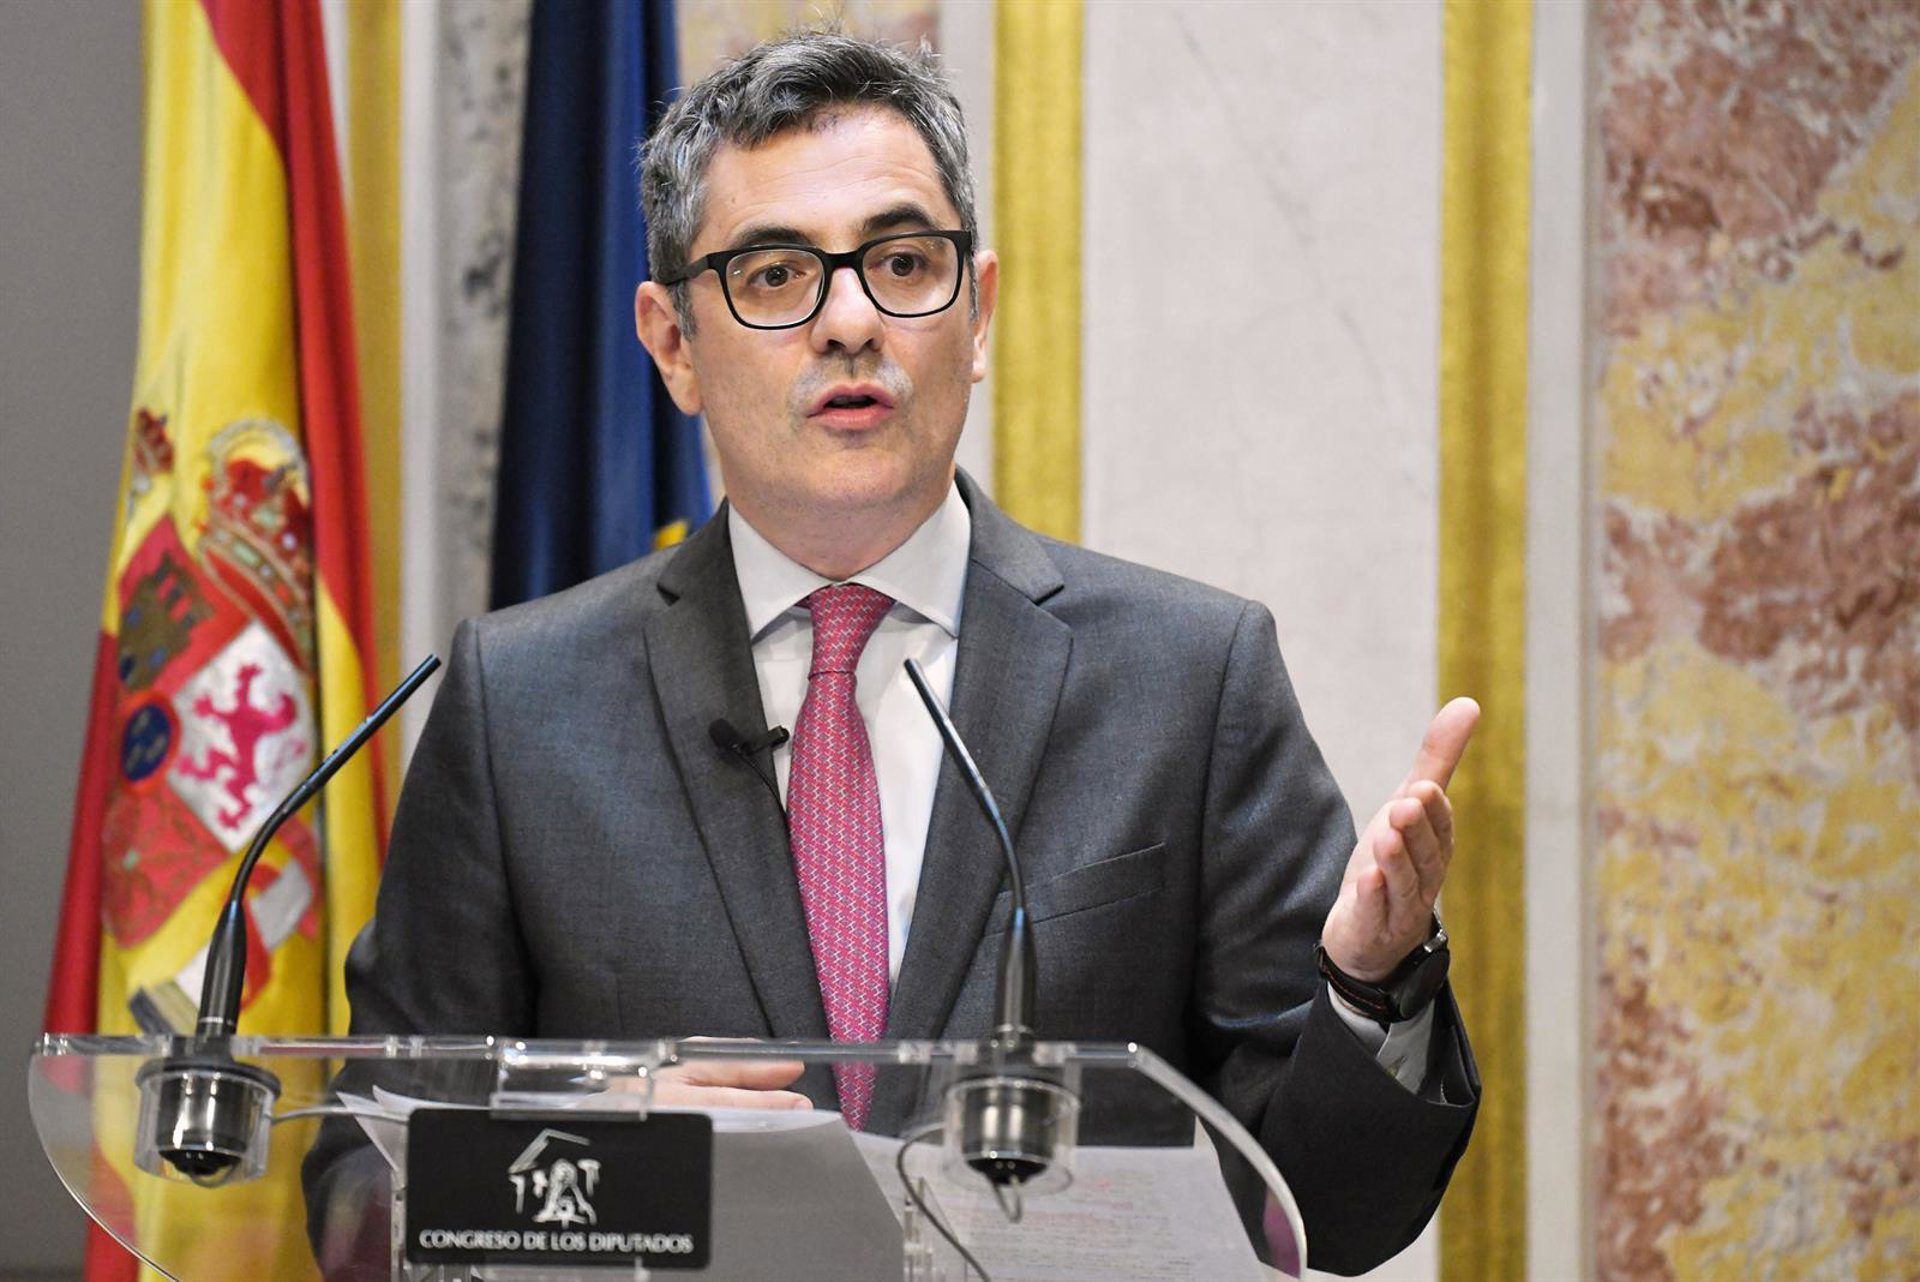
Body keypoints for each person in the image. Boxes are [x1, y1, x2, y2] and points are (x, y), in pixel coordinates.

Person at [327, 31, 1481, 1275]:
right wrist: (601, 1158)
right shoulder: (522, 706)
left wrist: (1368, 985)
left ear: (977, 313)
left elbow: (1334, 1215)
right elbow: (355, 1195)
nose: (850, 321)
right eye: (776, 274)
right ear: (672, 344)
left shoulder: (1189, 681)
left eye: (902, 263)